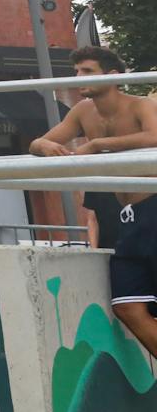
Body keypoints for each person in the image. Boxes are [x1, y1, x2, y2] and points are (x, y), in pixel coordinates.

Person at [27, 46, 157, 355]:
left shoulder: (141, 105)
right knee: (128, 307)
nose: (78, 78)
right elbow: (38, 142)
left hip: (154, 205)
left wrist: (97, 144)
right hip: (129, 215)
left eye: (87, 71)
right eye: (76, 72)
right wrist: (45, 146)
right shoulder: (83, 111)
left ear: (112, 76)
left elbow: (155, 136)